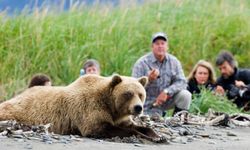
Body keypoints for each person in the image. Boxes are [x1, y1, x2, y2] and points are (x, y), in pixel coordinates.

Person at [132, 32, 191, 117]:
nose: (160, 46)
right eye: (157, 44)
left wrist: (167, 92)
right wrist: (149, 80)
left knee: (185, 95)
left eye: (163, 43)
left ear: (167, 47)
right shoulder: (141, 63)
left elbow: (182, 82)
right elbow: (134, 88)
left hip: (167, 100)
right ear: (152, 47)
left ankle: (178, 119)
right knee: (153, 121)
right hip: (147, 103)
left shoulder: (174, 61)